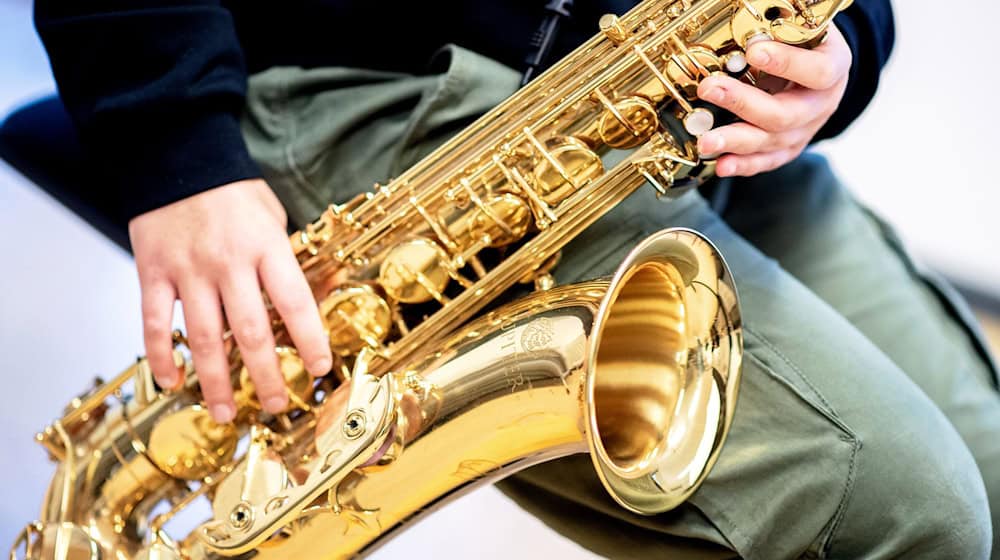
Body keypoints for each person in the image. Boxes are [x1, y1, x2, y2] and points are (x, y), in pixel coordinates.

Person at [29, 0, 1000, 557]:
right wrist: (175, 140)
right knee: (907, 512)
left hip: (682, 92)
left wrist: (843, 43)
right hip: (359, 78)